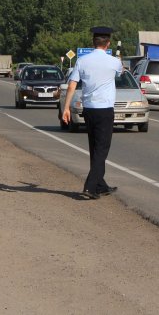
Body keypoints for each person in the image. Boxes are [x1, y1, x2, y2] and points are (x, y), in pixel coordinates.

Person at [61, 26, 123, 199]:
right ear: (108, 43)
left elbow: (72, 85)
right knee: (101, 150)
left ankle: (101, 185)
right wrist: (119, 59)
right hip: (105, 110)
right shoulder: (113, 62)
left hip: (88, 109)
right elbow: (121, 71)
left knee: (94, 148)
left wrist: (66, 108)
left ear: (93, 42)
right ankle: (89, 187)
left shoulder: (82, 60)